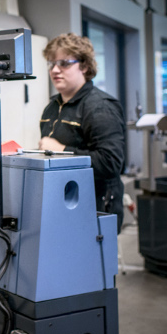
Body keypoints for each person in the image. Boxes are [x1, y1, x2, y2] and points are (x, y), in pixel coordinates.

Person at [39, 33, 126, 232]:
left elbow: (111, 163)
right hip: (63, 204)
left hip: (95, 208)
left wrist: (62, 151)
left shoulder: (100, 107)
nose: (55, 70)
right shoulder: (52, 107)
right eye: (51, 63)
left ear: (84, 66)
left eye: (64, 63)